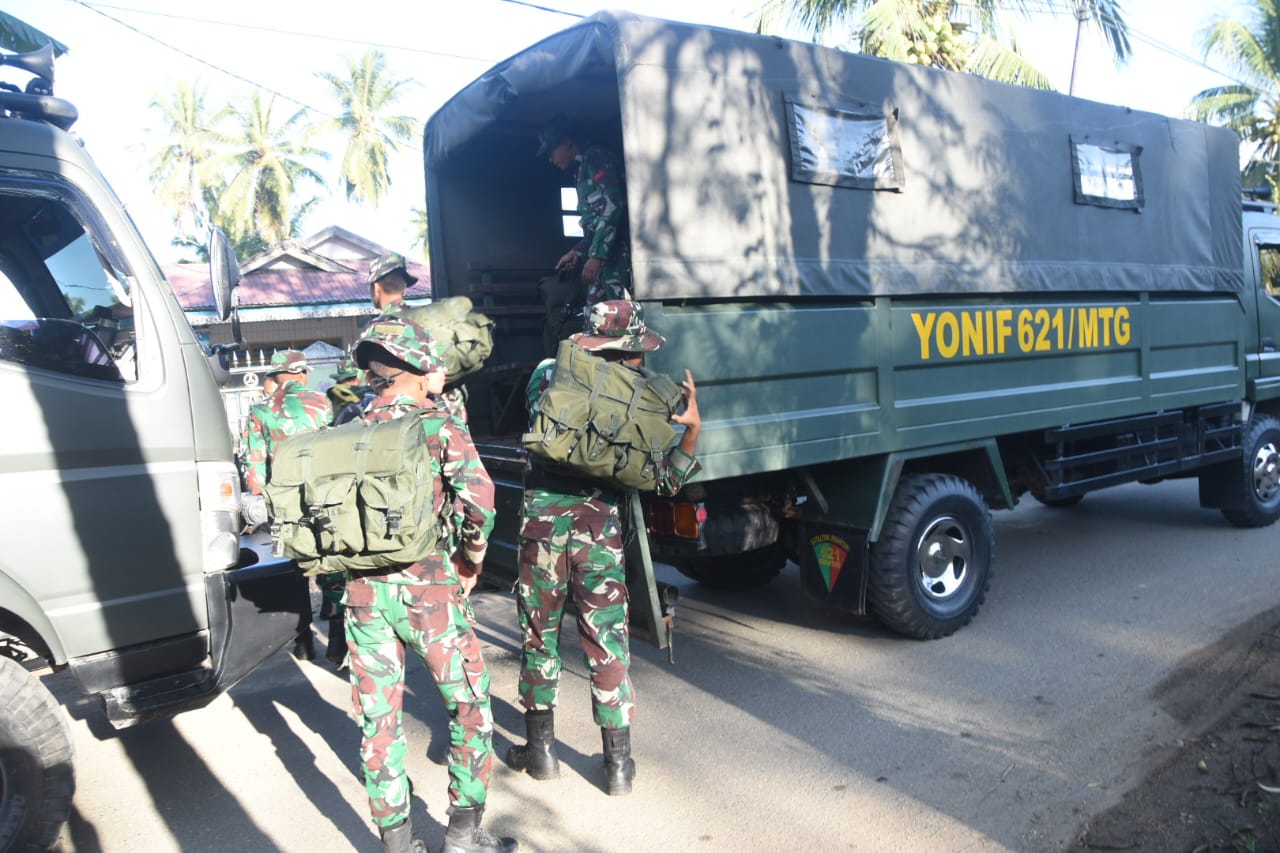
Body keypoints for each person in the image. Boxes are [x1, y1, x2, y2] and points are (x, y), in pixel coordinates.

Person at [506, 299, 702, 796]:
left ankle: (542, 752)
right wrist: (691, 431)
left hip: (543, 527)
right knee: (606, 639)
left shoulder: (550, 373)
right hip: (599, 533)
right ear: (633, 346)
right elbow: (665, 482)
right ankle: (617, 766)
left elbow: (537, 428)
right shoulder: (648, 397)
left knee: (538, 634)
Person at [347, 316, 516, 853]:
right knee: (469, 706)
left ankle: (398, 846)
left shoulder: (343, 427)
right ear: (417, 371)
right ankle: (464, 837)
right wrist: (471, 560)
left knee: (380, 721)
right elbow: (480, 500)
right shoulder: (437, 422)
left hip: (364, 596)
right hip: (429, 588)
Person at [237, 349, 333, 660]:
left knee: (293, 570)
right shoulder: (324, 404)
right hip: (326, 498)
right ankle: (340, 638)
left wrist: (259, 507)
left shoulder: (260, 410)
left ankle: (304, 642)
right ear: (303, 374)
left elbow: (254, 466)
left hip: (283, 503)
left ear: (275, 377)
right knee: (331, 560)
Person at [537, 115, 632, 316]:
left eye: (551, 151)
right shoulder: (579, 171)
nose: (550, 158)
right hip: (602, 260)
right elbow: (594, 225)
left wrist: (597, 255)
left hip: (616, 257)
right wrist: (578, 252)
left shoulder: (596, 157)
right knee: (594, 320)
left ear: (566, 142)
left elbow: (613, 205)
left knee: (621, 323)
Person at [367, 252, 470, 424]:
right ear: (405, 287)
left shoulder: (378, 328)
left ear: (376, 288)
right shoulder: (428, 318)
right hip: (452, 404)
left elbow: (371, 376)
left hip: (413, 412)